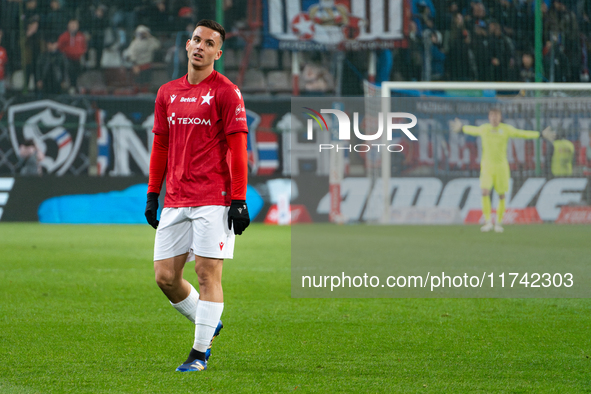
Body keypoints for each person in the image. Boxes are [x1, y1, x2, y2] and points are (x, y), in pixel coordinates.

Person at [144, 19, 250, 373]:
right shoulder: (167, 92)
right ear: (186, 46)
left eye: (208, 42)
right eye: (195, 40)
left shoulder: (227, 92)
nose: (200, 46)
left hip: (213, 197)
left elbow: (238, 149)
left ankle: (199, 353)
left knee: (207, 274)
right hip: (175, 197)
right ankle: (209, 321)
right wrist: (152, 193)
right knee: (165, 278)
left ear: (218, 53)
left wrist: (239, 199)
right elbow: (160, 144)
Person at [451, 109, 549, 232]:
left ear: (500, 117)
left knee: (501, 195)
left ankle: (498, 222)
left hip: (502, 167)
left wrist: (539, 134)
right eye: (492, 115)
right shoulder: (484, 129)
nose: (494, 118)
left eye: (496, 116)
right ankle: (487, 222)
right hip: (487, 167)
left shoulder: (506, 129)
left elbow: (521, 133)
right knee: (485, 191)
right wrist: (462, 128)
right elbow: (472, 130)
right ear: (489, 117)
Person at [57, 18, 87, 92]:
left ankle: (79, 87)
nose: (73, 26)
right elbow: (60, 47)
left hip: (78, 59)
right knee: (68, 69)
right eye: (72, 24)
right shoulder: (64, 36)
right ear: (68, 25)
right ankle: (69, 87)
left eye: (75, 24)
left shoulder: (81, 36)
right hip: (67, 58)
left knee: (80, 69)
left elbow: (84, 47)